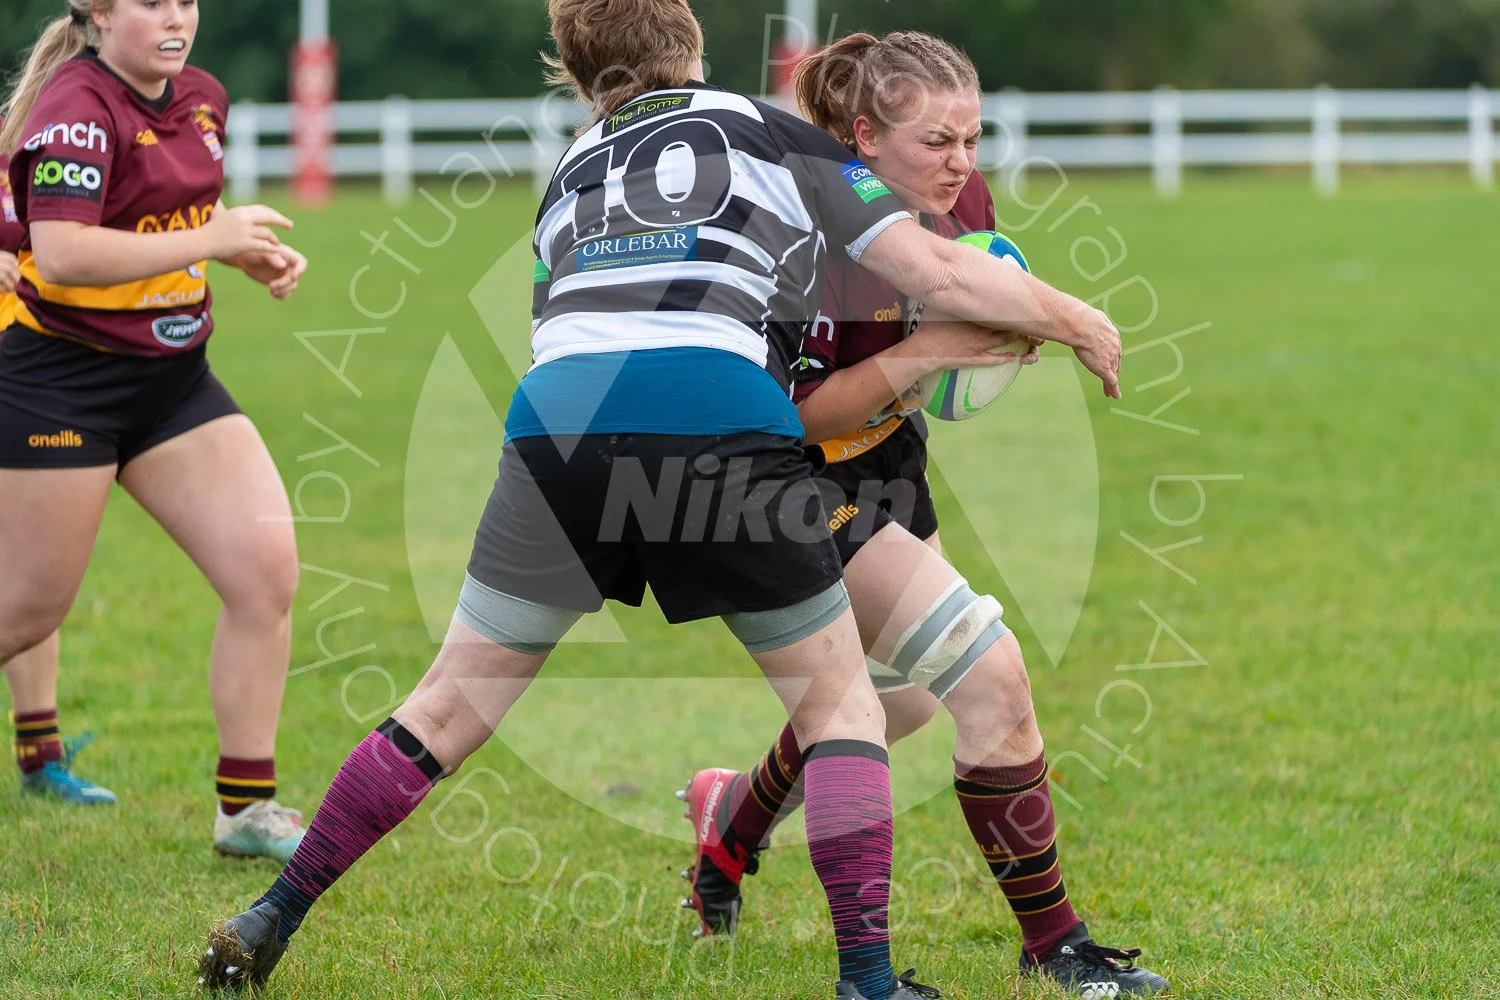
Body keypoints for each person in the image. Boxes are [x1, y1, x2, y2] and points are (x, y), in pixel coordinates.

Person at [198, 1, 1120, 996]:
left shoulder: (570, 169)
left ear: (580, 71)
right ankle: (869, 981)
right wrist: (1079, 319)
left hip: (556, 427)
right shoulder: (763, 129)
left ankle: (272, 914)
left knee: (447, 703)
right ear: (692, 46)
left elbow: (565, 309)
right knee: (844, 706)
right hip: (719, 412)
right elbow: (930, 265)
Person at [676, 32, 1169, 998]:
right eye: (936, 142)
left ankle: (730, 820)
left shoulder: (959, 202)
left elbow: (979, 287)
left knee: (897, 701)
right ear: (862, 138)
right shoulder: (803, 234)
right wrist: (932, 350)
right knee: (991, 673)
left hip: (889, 458)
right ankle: (1058, 946)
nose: (960, 164)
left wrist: (1004, 331)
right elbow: (800, 412)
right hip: (790, 477)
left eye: (973, 139)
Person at [0, 0, 309, 860]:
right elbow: (61, 255)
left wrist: (240, 252)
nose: (177, 17)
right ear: (99, 12)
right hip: (64, 386)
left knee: (264, 571)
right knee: (22, 614)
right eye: (153, 2)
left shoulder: (201, 98)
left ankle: (246, 810)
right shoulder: (77, 106)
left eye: (187, 1)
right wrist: (214, 236)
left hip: (174, 384)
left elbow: (159, 233)